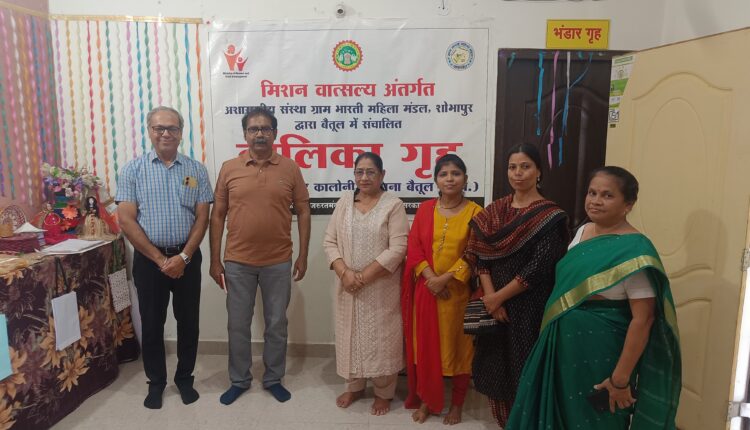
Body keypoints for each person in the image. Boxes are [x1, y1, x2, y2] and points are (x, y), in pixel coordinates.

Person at [506, 166, 682, 430]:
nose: (595, 201)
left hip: (603, 351)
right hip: (562, 345)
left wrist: (620, 380)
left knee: (596, 419)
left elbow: (643, 320)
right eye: (592, 193)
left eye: (607, 195)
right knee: (558, 412)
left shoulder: (635, 249)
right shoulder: (583, 232)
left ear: (628, 204)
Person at [209, 107, 311, 405]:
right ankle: (239, 380)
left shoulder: (290, 168)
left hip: (278, 261)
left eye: (266, 128)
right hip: (237, 262)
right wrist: (215, 260)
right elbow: (218, 215)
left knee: (276, 324)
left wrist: (303, 255)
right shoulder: (229, 168)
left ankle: (273, 378)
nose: (260, 134)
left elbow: (304, 210)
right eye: (253, 129)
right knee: (237, 325)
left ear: (275, 133)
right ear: (245, 134)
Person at [465, 143, 569, 428]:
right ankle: (504, 422)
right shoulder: (494, 212)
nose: (518, 173)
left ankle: (524, 423)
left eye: (525, 167)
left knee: (524, 365)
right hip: (494, 305)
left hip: (529, 306)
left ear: (539, 172)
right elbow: (479, 256)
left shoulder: (549, 216)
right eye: (513, 167)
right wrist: (491, 298)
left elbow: (540, 266)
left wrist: (499, 297)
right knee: (494, 365)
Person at [116, 106, 213, 409]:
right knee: (152, 323)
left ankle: (185, 379)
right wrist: (160, 260)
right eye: (159, 128)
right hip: (149, 262)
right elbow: (126, 220)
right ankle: (156, 383)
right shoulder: (132, 170)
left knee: (189, 322)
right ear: (150, 131)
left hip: (187, 258)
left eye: (172, 128)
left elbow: (202, 217)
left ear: (181, 133)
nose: (166, 133)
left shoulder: (196, 170)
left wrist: (183, 257)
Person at [323, 152, 408, 416]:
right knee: (349, 336)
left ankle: (384, 393)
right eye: (359, 172)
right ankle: (355, 387)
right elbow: (329, 241)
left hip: (381, 288)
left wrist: (362, 276)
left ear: (382, 175)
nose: (364, 177)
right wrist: (345, 273)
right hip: (347, 287)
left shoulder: (393, 205)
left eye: (371, 172)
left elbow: (398, 248)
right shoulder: (344, 202)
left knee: (382, 339)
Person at [402, 154, 482, 425]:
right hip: (427, 293)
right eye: (444, 174)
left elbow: (474, 252)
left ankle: (457, 404)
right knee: (426, 350)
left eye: (456, 173)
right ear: (436, 179)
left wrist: (445, 279)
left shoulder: (475, 212)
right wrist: (431, 279)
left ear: (465, 179)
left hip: (457, 296)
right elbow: (414, 247)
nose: (450, 179)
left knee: (460, 351)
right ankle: (427, 400)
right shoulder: (426, 209)